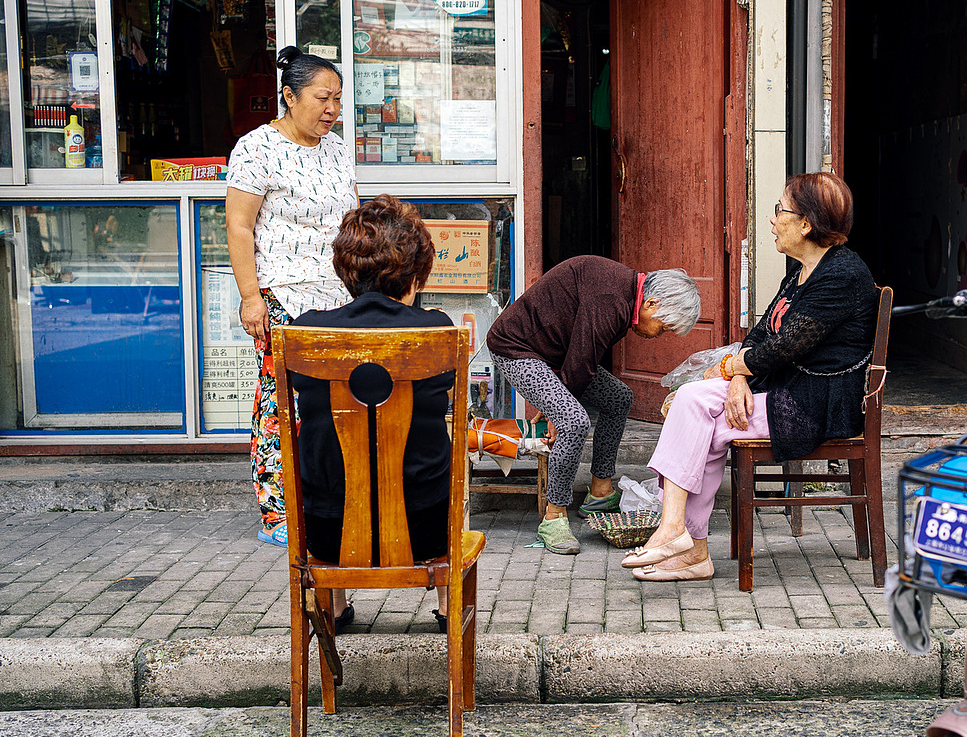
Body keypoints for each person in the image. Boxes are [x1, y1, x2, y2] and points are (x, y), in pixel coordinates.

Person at [623, 172, 877, 581]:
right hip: (782, 389)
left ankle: (681, 538)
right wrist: (738, 378)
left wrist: (729, 368)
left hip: (814, 407)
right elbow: (760, 335)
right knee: (694, 406)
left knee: (694, 411)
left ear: (806, 224)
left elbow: (784, 348)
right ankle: (685, 543)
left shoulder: (841, 275)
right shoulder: (801, 270)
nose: (773, 219)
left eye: (780, 210)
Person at [290, 195, 452, 633]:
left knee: (327, 454)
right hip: (424, 530)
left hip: (328, 533)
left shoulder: (307, 331)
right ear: (416, 271)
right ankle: (445, 605)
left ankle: (335, 608)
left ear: (346, 270)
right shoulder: (437, 331)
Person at [226, 45, 356, 548]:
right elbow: (239, 227)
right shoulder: (256, 149)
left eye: (338, 100)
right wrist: (250, 297)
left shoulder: (338, 147)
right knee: (282, 402)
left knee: (335, 399)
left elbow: (352, 217)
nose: (332, 110)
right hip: (280, 293)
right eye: (323, 98)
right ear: (289, 96)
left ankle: (328, 497)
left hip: (338, 296)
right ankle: (277, 509)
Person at [486, 257, 701, 554]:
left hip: (555, 356)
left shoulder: (625, 296)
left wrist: (555, 396)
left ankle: (600, 491)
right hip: (516, 348)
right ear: (651, 304)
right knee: (573, 421)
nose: (656, 336)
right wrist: (557, 407)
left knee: (618, 397)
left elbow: (581, 357)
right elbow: (581, 361)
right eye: (662, 328)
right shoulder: (612, 299)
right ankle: (554, 516)